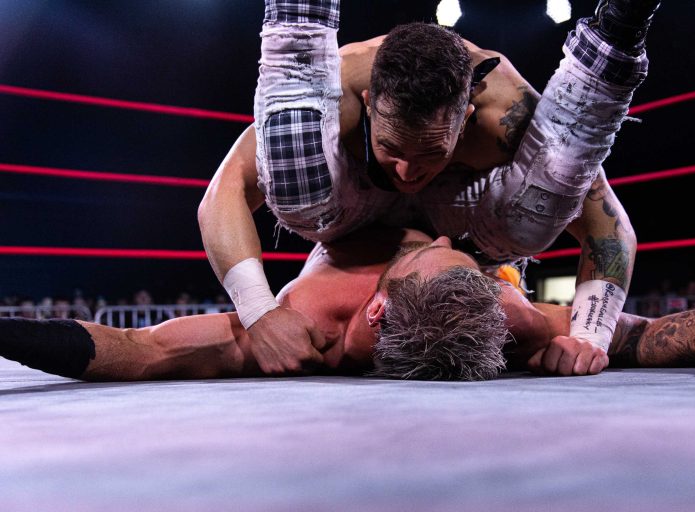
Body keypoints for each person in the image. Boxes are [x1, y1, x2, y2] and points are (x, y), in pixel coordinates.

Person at [198, 0, 661, 375]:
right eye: (390, 147)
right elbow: (222, 192)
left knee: (548, 190)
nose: (406, 173)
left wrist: (589, 337)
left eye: (429, 152)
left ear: (465, 120)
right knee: (297, 180)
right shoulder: (338, 96)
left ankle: (616, 34)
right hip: (350, 210)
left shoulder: (506, 114)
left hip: (464, 220)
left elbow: (610, 229)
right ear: (369, 104)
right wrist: (260, 314)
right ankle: (298, 18)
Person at [1, 227, 695, 382]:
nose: (442, 232)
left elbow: (139, 352)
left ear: (374, 309)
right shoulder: (516, 321)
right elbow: (640, 335)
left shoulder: (306, 323)